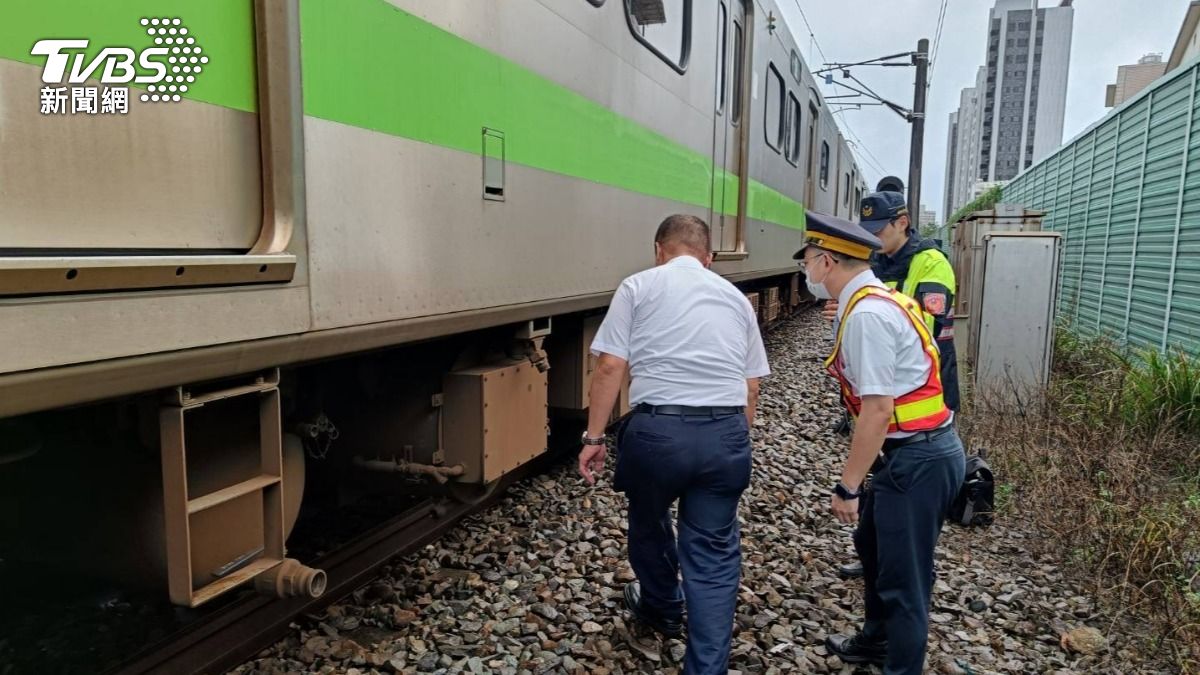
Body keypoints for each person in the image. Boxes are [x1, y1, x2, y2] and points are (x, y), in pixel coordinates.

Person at [578, 214, 769, 674]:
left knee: (648, 520)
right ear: (709, 257)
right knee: (714, 553)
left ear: (658, 251)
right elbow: (751, 387)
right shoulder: (735, 299)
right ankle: (706, 667)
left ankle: (662, 604)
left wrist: (594, 437)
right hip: (725, 431)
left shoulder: (637, 286)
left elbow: (610, 367)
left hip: (657, 434)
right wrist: (731, 441)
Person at [794, 211, 965, 674]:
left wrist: (848, 486)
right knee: (872, 547)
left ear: (827, 261)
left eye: (807, 260)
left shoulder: (867, 315)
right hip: (912, 454)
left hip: (918, 458)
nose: (805, 270)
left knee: (904, 582)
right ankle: (876, 639)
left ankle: (899, 664)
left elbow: (878, 409)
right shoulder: (871, 300)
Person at [830, 190, 961, 580]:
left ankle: (902, 561)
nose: (872, 238)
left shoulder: (931, 262)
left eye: (879, 230)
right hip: (891, 391)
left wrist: (865, 309)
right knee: (881, 479)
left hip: (924, 390)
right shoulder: (878, 260)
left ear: (902, 223)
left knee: (906, 495)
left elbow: (925, 322)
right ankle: (877, 553)